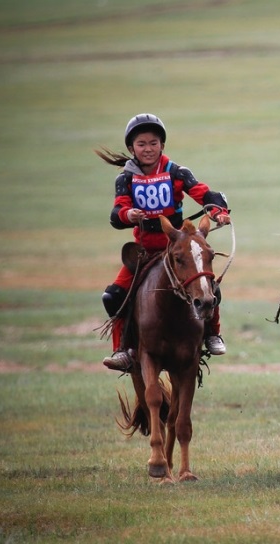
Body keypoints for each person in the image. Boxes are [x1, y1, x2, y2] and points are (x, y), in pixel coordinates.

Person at [96, 113, 231, 372]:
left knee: (209, 287)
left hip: (177, 249)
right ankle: (123, 349)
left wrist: (218, 212)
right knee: (113, 296)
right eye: (142, 144)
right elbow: (116, 214)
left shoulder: (176, 172)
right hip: (145, 251)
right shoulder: (125, 179)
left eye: (154, 143)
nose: (148, 149)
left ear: (162, 145)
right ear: (131, 148)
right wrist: (130, 215)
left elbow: (204, 193)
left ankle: (213, 334)